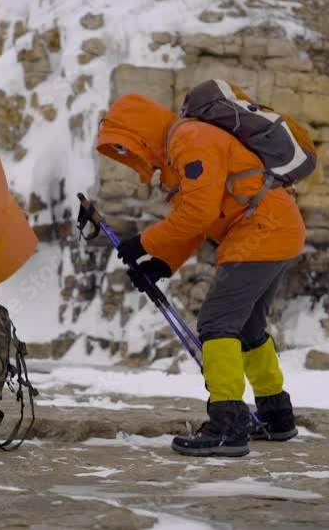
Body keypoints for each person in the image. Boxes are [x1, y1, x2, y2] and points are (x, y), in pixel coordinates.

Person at [95, 93, 306, 457]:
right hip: (275, 230)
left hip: (261, 233)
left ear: (140, 134)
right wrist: (160, 263)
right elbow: (198, 222)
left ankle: (228, 426)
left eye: (129, 149)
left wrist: (142, 242)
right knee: (248, 329)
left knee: (216, 324)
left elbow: (198, 211)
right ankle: (277, 416)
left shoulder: (189, 139)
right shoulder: (186, 146)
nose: (134, 159)